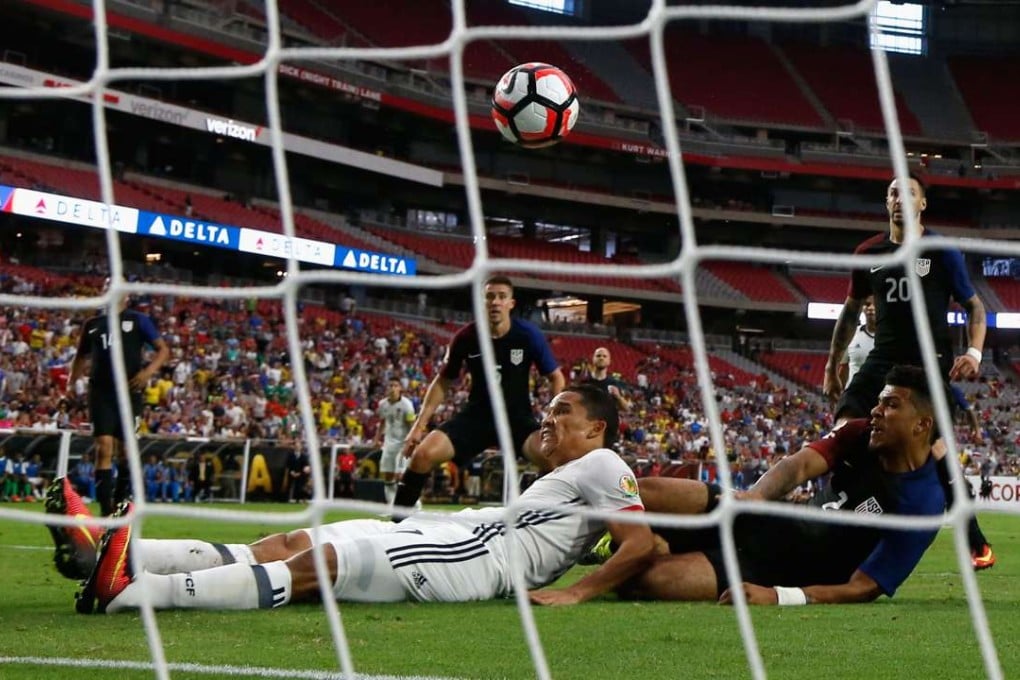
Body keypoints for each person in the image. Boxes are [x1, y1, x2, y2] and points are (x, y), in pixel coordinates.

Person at [75, 385, 654, 613]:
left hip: (482, 557)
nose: (549, 418)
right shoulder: (577, 468)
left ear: (598, 429)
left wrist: (576, 592)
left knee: (322, 565)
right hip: (459, 530)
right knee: (292, 541)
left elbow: (640, 542)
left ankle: (137, 593)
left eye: (563, 411)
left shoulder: (605, 463)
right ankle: (124, 551)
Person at [624, 365, 945, 605]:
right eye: (879, 401)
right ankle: (603, 528)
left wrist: (779, 596)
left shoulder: (923, 503)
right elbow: (800, 464)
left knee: (646, 581)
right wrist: (755, 496)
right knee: (643, 490)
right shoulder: (859, 433)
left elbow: (864, 587)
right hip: (769, 519)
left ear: (922, 424)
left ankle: (638, 543)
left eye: (891, 405)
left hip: (781, 568)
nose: (876, 411)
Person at [820, 173, 993, 570]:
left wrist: (974, 353)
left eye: (909, 193)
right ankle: (855, 507)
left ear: (922, 204)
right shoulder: (868, 253)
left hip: (926, 362)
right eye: (894, 192)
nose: (900, 198)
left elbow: (975, 308)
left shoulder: (941, 251)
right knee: (845, 424)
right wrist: (833, 364)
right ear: (886, 202)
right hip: (883, 360)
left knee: (934, 448)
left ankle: (974, 537)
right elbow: (849, 313)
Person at [394, 276, 565, 510]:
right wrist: (418, 427)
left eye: (502, 297)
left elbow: (556, 377)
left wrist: (552, 420)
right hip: (476, 417)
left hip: (516, 418)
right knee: (422, 455)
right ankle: (396, 524)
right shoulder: (466, 337)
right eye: (490, 296)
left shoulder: (527, 335)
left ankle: (536, 517)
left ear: (511, 304)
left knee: (555, 459)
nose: (495, 302)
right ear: (482, 301)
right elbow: (443, 381)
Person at [67, 293, 170, 516]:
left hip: (129, 392)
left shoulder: (138, 320)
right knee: (103, 447)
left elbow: (163, 350)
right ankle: (105, 512)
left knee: (125, 450)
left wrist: (147, 372)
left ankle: (121, 503)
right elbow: (81, 356)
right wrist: (70, 384)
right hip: (100, 392)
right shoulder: (93, 324)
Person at [373, 378, 416, 506]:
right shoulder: (382, 404)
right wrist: (376, 439)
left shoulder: (406, 405)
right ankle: (391, 504)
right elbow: (382, 422)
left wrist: (411, 443)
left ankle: (413, 501)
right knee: (388, 475)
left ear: (400, 388)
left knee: (400, 476)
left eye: (395, 385)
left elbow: (412, 425)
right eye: (390, 385)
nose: (392, 388)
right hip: (388, 444)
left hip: (403, 445)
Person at [837, 295, 876, 390]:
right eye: (867, 304)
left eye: (876, 305)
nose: (871, 308)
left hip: (880, 399)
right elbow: (844, 367)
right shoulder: (852, 334)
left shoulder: (891, 336)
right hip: (854, 398)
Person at [583, 347, 632, 414]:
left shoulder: (614, 383)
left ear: (609, 361)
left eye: (604, 356)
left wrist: (618, 397)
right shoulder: (583, 382)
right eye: (598, 356)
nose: (601, 358)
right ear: (593, 359)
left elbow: (627, 409)